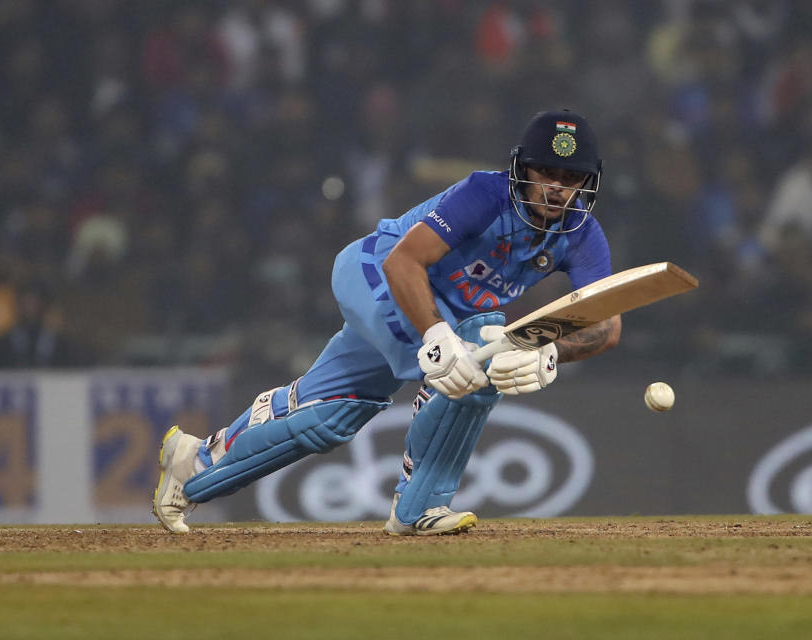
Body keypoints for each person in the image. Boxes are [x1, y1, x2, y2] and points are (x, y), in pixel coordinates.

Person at [153, 109, 621, 535]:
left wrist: (551, 353)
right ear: (522, 169)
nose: (558, 187)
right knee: (484, 349)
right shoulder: (486, 193)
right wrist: (437, 337)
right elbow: (404, 262)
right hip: (377, 273)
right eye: (547, 172)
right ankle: (420, 507)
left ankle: (195, 462)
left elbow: (606, 325)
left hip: (434, 308)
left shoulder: (582, 235)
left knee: (331, 416)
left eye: (572, 177)